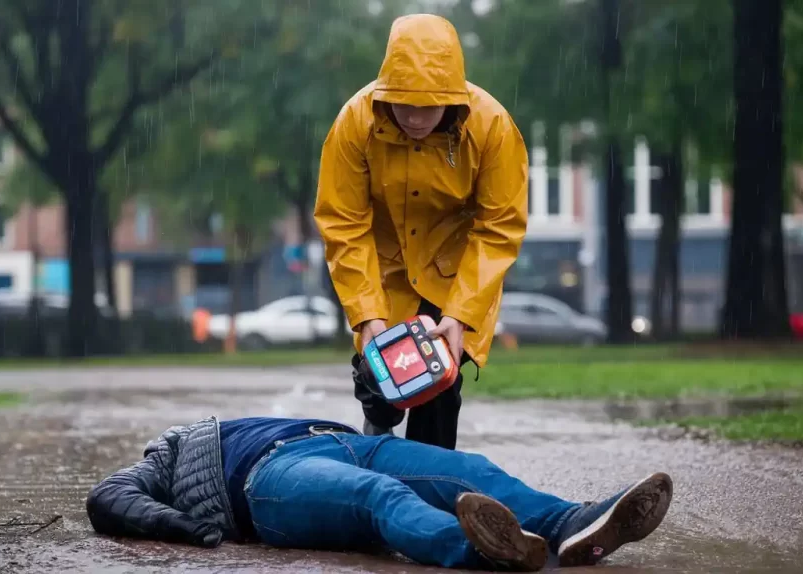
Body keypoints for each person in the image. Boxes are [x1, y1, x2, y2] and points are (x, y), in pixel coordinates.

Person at [313, 13, 529, 449]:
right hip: (384, 266)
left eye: (427, 106)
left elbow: (499, 227)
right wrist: (367, 312)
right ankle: (378, 420)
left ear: (452, 98)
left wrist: (460, 314)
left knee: (438, 384)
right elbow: (343, 221)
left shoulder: (492, 128)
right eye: (402, 104)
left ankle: (431, 493)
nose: (413, 118)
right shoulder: (355, 123)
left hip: (454, 271)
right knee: (381, 375)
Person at [86, 416, 674, 571]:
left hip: (341, 440)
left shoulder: (224, 423)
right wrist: (185, 528)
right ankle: (489, 551)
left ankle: (576, 524)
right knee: (375, 498)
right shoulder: (160, 460)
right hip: (263, 484)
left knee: (466, 468)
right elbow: (108, 501)